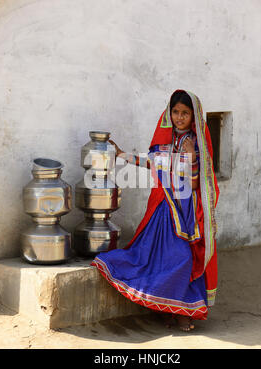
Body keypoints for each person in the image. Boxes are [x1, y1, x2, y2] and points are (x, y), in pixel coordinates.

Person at [91, 89, 220, 331]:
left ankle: (183, 312)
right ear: (168, 114)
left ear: (194, 116)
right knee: (160, 257)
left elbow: (194, 183)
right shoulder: (168, 141)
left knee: (185, 258)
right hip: (165, 209)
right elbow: (151, 161)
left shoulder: (196, 143)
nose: (179, 117)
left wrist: (190, 157)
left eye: (185, 113)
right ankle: (168, 310)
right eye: (175, 112)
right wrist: (122, 155)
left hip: (186, 212)